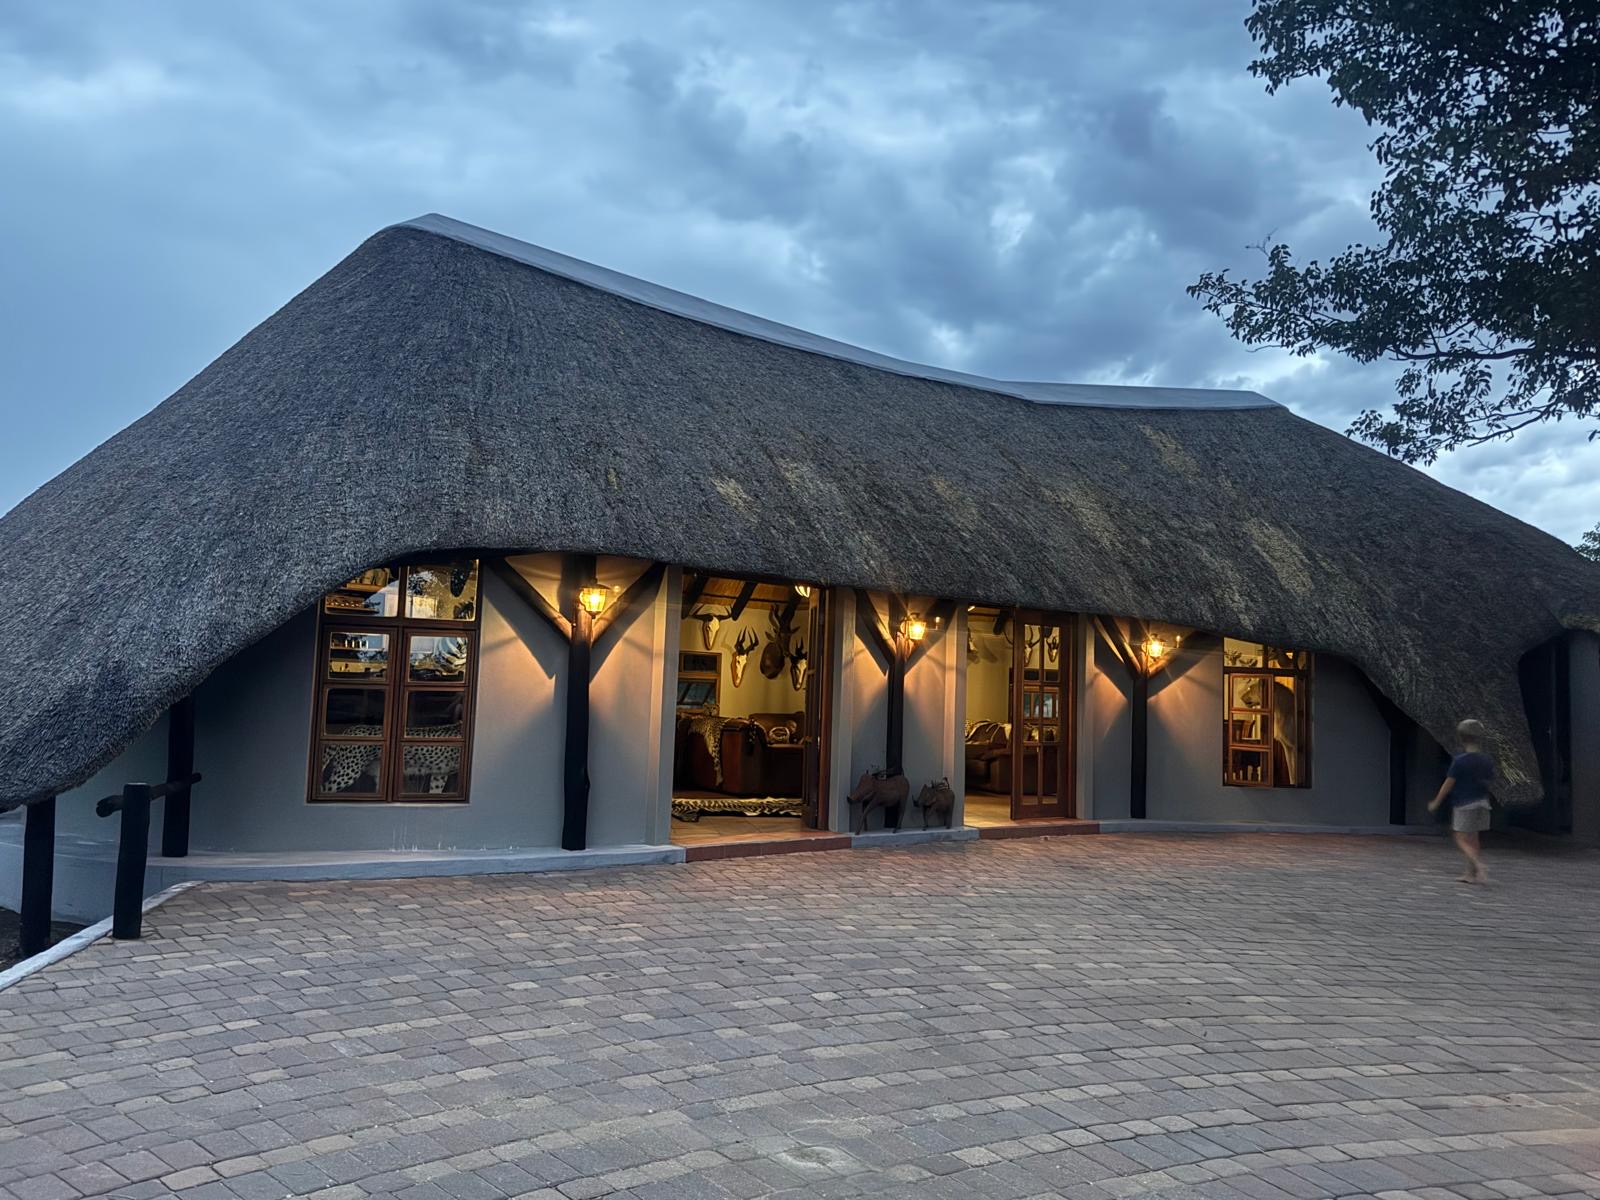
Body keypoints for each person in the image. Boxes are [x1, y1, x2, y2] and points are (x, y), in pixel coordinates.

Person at [1428, 718, 1494, 883]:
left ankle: (1479, 865)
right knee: (1474, 837)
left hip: (1465, 804)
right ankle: (1470, 874)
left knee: (1460, 837)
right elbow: (1489, 781)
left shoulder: (1460, 761)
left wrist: (1436, 802)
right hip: (1483, 803)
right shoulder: (1486, 760)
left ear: (1461, 738)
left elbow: (1448, 784)